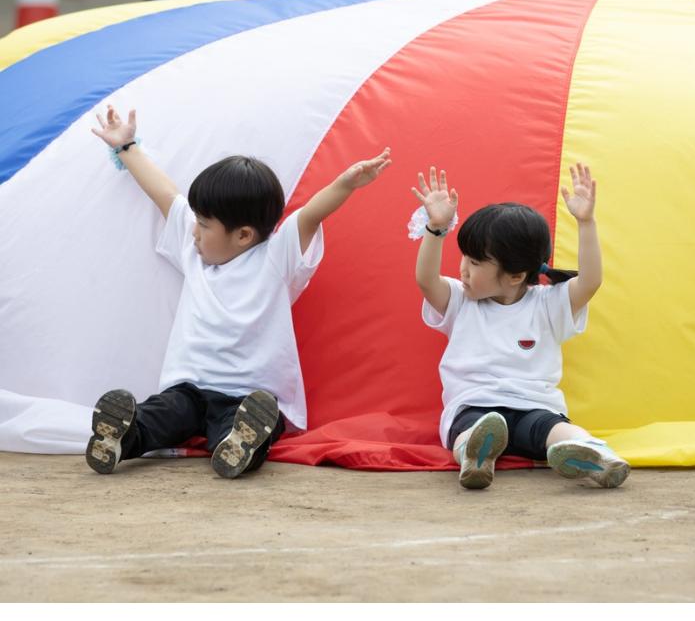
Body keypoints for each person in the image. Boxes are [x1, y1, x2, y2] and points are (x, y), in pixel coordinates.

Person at [85, 104, 390, 478]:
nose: (193, 231)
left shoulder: (274, 258)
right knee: (162, 415)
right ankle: (121, 438)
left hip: (249, 394)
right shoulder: (195, 252)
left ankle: (240, 444)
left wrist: (346, 183)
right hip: (189, 388)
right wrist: (126, 146)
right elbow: (164, 194)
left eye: (204, 225)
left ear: (244, 235)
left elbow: (311, 214)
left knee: (246, 424)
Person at [411, 163, 630, 490]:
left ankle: (592, 452)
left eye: (474, 262)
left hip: (533, 408)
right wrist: (436, 229)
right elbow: (426, 280)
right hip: (474, 406)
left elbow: (590, 282)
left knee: (552, 428)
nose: (463, 270)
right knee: (469, 428)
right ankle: (475, 456)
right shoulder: (460, 300)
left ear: (515, 275)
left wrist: (586, 222)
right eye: (464, 258)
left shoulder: (548, 303)